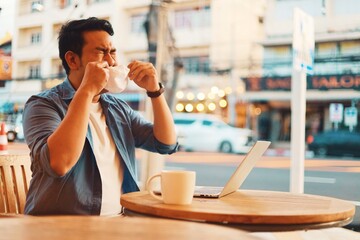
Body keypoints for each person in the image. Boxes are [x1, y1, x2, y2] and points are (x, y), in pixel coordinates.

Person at [22, 17, 178, 215]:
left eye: (112, 52)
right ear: (72, 60)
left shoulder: (117, 108)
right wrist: (87, 90)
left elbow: (166, 143)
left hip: (119, 222)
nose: (112, 61)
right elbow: (59, 163)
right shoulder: (43, 105)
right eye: (101, 52)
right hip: (60, 227)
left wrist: (154, 91)